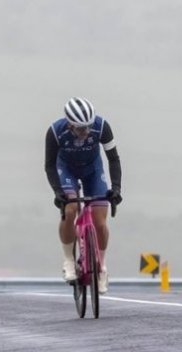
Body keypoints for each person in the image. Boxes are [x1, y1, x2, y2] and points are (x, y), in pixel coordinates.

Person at [45, 97, 122, 294]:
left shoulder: (102, 127)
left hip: (93, 170)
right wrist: (58, 193)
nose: (86, 131)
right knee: (70, 210)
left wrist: (116, 189)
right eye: (80, 128)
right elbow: (49, 166)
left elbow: (113, 159)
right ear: (69, 124)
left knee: (100, 220)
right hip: (66, 170)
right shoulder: (55, 132)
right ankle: (69, 260)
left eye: (88, 126)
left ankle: (101, 268)